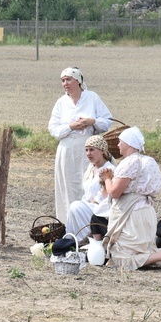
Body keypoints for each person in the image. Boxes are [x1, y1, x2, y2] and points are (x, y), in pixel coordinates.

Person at [98, 127, 161, 271]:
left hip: (132, 215)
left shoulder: (129, 162)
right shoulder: (150, 161)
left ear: (129, 143)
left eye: (120, 142)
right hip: (146, 211)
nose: (118, 145)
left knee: (121, 259)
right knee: (141, 251)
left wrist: (107, 179)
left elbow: (114, 192)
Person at [48, 67, 112, 224]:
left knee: (88, 185)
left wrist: (92, 121)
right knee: (67, 187)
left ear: (78, 81)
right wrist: (71, 126)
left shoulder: (92, 97)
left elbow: (107, 121)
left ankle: (90, 225)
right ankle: (67, 225)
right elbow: (53, 129)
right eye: (63, 80)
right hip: (67, 150)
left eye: (68, 79)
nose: (65, 83)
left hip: (88, 149)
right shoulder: (61, 103)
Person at [65, 135, 116, 243]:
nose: (88, 153)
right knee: (74, 207)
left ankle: (83, 239)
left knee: (75, 206)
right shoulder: (91, 169)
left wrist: (86, 204)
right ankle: (71, 239)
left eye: (92, 150)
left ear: (102, 151)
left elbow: (106, 194)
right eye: (86, 150)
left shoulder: (109, 169)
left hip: (102, 210)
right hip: (90, 206)